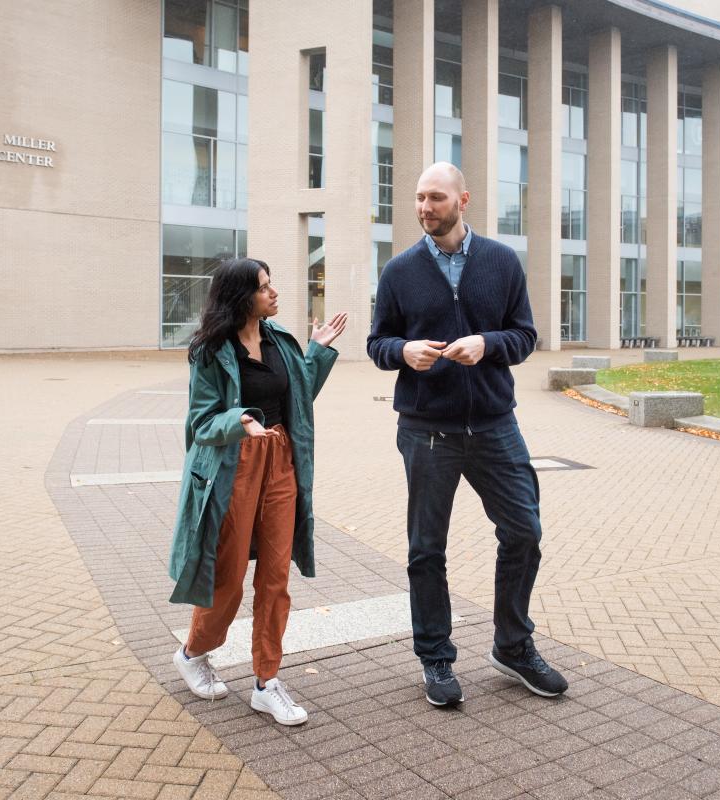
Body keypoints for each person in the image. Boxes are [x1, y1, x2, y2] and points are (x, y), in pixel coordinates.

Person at [367, 162, 567, 707]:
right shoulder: (400, 271)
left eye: (434, 198)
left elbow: (525, 336)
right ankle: (435, 657)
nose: (424, 208)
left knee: (524, 530)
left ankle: (513, 646)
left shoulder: (502, 262)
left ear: (463, 200)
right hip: (427, 430)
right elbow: (377, 343)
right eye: (417, 198)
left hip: (496, 426)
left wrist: (488, 344)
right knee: (426, 549)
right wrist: (402, 351)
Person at [168, 257, 347, 726]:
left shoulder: (280, 340)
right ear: (240, 297)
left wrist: (318, 350)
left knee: (275, 577)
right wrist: (239, 421)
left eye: (271, 285)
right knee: (225, 577)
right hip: (234, 464)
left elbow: (300, 393)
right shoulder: (210, 350)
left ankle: (267, 682)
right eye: (264, 288)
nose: (273, 294)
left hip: (281, 462)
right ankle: (193, 653)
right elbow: (200, 422)